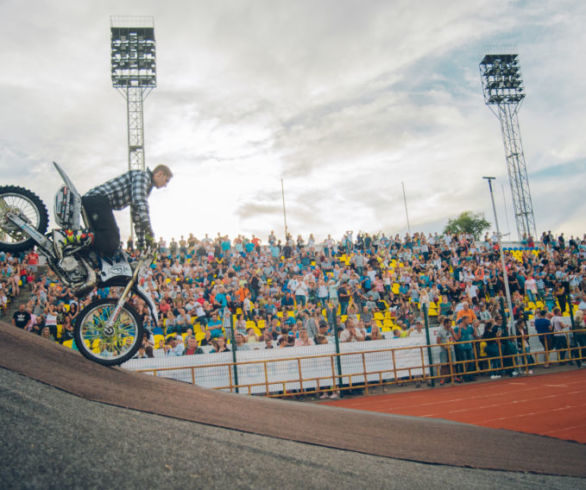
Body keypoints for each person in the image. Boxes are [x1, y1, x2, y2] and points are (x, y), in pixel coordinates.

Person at [82, 164, 173, 257]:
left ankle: (82, 254)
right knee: (112, 238)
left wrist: (142, 244)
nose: (165, 185)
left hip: (96, 201)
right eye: (166, 180)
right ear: (160, 174)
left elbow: (137, 216)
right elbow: (140, 200)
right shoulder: (143, 176)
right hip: (97, 199)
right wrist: (148, 227)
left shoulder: (145, 186)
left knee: (105, 246)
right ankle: (78, 236)